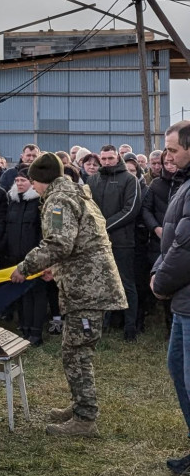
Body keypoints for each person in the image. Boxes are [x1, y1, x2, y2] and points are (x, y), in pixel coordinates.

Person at [11, 153, 127, 437]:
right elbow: (78, 242)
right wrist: (56, 267)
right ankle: (79, 405)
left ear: (41, 180)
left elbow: (59, 243)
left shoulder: (59, 199)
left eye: (34, 182)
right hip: (86, 283)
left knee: (77, 353)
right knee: (73, 350)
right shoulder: (74, 191)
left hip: (87, 288)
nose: (34, 188)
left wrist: (25, 268)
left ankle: (85, 419)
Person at [150, 122, 190, 476]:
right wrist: (159, 266)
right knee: (178, 370)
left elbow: (186, 248)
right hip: (183, 303)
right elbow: (175, 239)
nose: (168, 156)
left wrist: (160, 282)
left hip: (187, 300)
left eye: (174, 149)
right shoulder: (184, 182)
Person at [90, 145, 142, 341]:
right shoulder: (93, 179)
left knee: (126, 285)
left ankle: (130, 328)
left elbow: (131, 209)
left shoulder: (130, 179)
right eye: (103, 158)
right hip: (97, 242)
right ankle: (103, 325)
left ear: (118, 158)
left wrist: (104, 226)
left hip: (122, 241)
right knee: (101, 284)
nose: (106, 162)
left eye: (110, 158)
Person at [3, 169, 47, 344]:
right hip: (15, 255)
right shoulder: (13, 201)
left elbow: (42, 231)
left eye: (23, 180)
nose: (19, 183)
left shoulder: (39, 202)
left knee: (37, 293)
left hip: (35, 256)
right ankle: (24, 326)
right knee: (22, 293)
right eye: (17, 180)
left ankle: (36, 331)